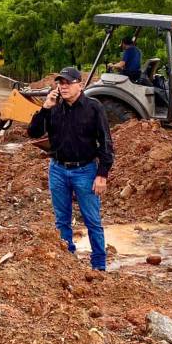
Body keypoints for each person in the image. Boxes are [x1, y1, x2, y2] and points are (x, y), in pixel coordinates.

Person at [27, 67, 114, 271]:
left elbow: (106, 142)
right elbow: (33, 132)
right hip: (57, 169)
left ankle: (99, 265)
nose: (63, 86)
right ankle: (67, 261)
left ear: (79, 85)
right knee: (62, 220)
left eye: (68, 83)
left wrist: (102, 174)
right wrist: (45, 108)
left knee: (92, 220)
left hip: (85, 170)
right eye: (60, 83)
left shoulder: (94, 108)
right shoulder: (54, 108)